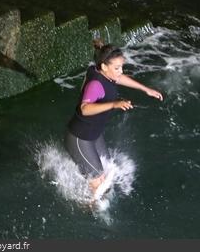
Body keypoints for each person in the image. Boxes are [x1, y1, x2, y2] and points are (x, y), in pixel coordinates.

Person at [64, 39, 163, 198]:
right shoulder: (96, 85)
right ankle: (89, 210)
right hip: (79, 137)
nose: (120, 71)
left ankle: (88, 179)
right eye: (117, 68)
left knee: (109, 169)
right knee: (99, 183)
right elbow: (84, 109)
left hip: (93, 135)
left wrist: (146, 89)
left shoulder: (100, 69)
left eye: (121, 67)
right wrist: (114, 104)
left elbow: (119, 77)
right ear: (104, 66)